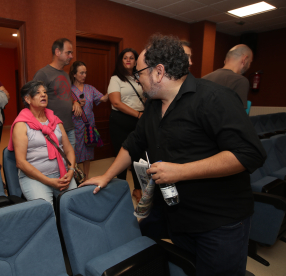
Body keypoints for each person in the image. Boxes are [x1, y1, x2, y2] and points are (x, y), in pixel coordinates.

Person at [82, 35, 266, 275]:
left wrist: (181, 171)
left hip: (219, 222)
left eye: (139, 74)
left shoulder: (214, 98)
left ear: (159, 72)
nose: (138, 81)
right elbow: (134, 142)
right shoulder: (152, 106)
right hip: (179, 216)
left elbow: (249, 153)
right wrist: (107, 175)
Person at [8, 81, 77, 206]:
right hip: (35, 178)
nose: (43, 95)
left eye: (45, 92)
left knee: (76, 207)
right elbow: (20, 162)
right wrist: (49, 181)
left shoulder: (55, 120)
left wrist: (71, 171)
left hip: (63, 174)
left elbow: (68, 149)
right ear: (27, 99)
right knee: (46, 213)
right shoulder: (21, 125)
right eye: (38, 93)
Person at [107, 48, 145, 202]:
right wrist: (137, 114)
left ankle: (137, 189)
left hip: (140, 119)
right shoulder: (116, 78)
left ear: (136, 61)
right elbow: (116, 102)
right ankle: (120, 191)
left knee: (138, 156)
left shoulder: (140, 77)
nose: (128, 60)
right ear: (121, 61)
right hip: (121, 120)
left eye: (131, 57)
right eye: (125, 58)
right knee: (122, 155)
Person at [33, 38, 82, 149]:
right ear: (57, 52)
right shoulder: (43, 74)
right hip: (52, 129)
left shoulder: (65, 74)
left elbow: (65, 96)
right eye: (68, 52)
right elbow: (32, 100)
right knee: (56, 163)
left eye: (71, 53)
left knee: (70, 161)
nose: (71, 56)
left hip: (69, 127)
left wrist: (75, 102)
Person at [69, 61, 108, 180]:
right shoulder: (68, 90)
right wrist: (74, 104)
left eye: (85, 73)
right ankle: (75, 176)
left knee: (88, 153)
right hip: (74, 126)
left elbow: (103, 99)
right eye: (81, 73)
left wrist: (114, 89)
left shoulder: (90, 88)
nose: (84, 75)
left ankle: (86, 177)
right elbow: (62, 108)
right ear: (74, 74)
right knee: (74, 152)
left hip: (88, 126)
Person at [202, 44, 253, 108]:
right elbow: (238, 114)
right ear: (244, 59)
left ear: (225, 60)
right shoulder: (240, 81)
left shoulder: (203, 79)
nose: (249, 66)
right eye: (250, 62)